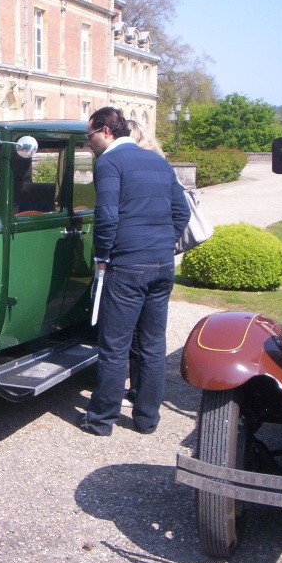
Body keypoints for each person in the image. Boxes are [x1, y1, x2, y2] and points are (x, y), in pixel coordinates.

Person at [80, 106, 190, 436]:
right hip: (161, 265)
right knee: (153, 345)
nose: (88, 144)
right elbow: (181, 211)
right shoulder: (157, 160)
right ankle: (146, 420)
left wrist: (103, 256)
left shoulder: (110, 162)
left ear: (105, 131)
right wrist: (162, 242)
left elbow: (107, 216)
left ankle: (101, 421)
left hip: (127, 265)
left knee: (115, 345)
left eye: (89, 137)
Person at [124, 119, 165, 406]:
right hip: (159, 257)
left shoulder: (135, 162)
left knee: (131, 334)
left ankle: (134, 392)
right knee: (151, 338)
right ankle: (147, 406)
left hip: (134, 257)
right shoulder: (159, 160)